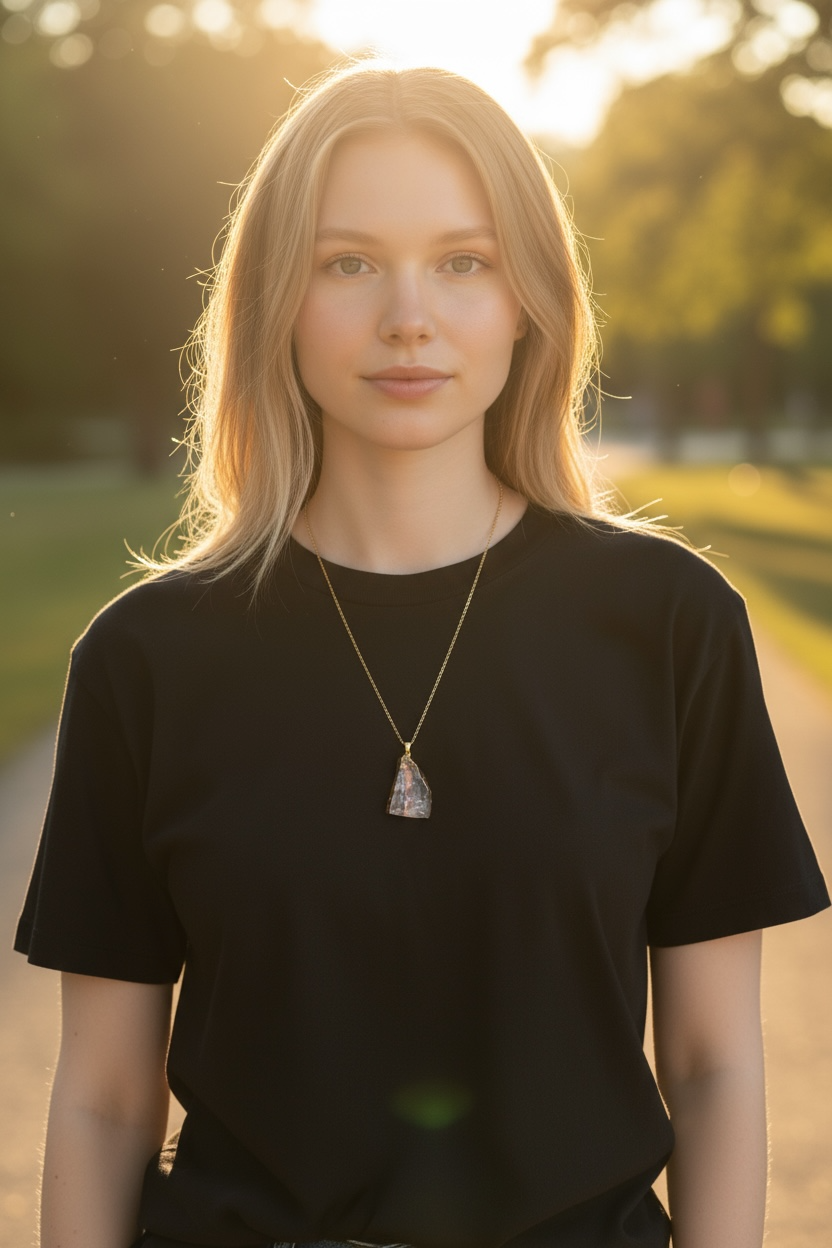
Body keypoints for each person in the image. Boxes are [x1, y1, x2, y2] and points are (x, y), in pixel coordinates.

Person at [15, 61, 829, 1248]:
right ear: (275, 300)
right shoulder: (144, 662)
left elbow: (711, 1064)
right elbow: (100, 1100)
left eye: (463, 262)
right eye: (347, 264)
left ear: (527, 299)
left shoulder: (669, 625)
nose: (409, 317)